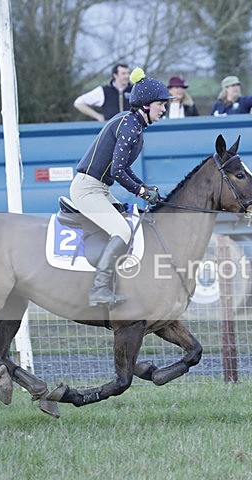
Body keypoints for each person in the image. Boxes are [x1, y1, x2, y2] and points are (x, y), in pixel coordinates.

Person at [71, 68, 168, 307]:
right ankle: (99, 289)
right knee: (123, 232)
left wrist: (143, 186)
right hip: (88, 190)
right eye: (160, 104)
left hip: (99, 189)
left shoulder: (131, 123)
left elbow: (123, 168)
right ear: (146, 104)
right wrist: (141, 191)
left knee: (130, 224)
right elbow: (117, 171)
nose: (164, 109)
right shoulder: (130, 126)